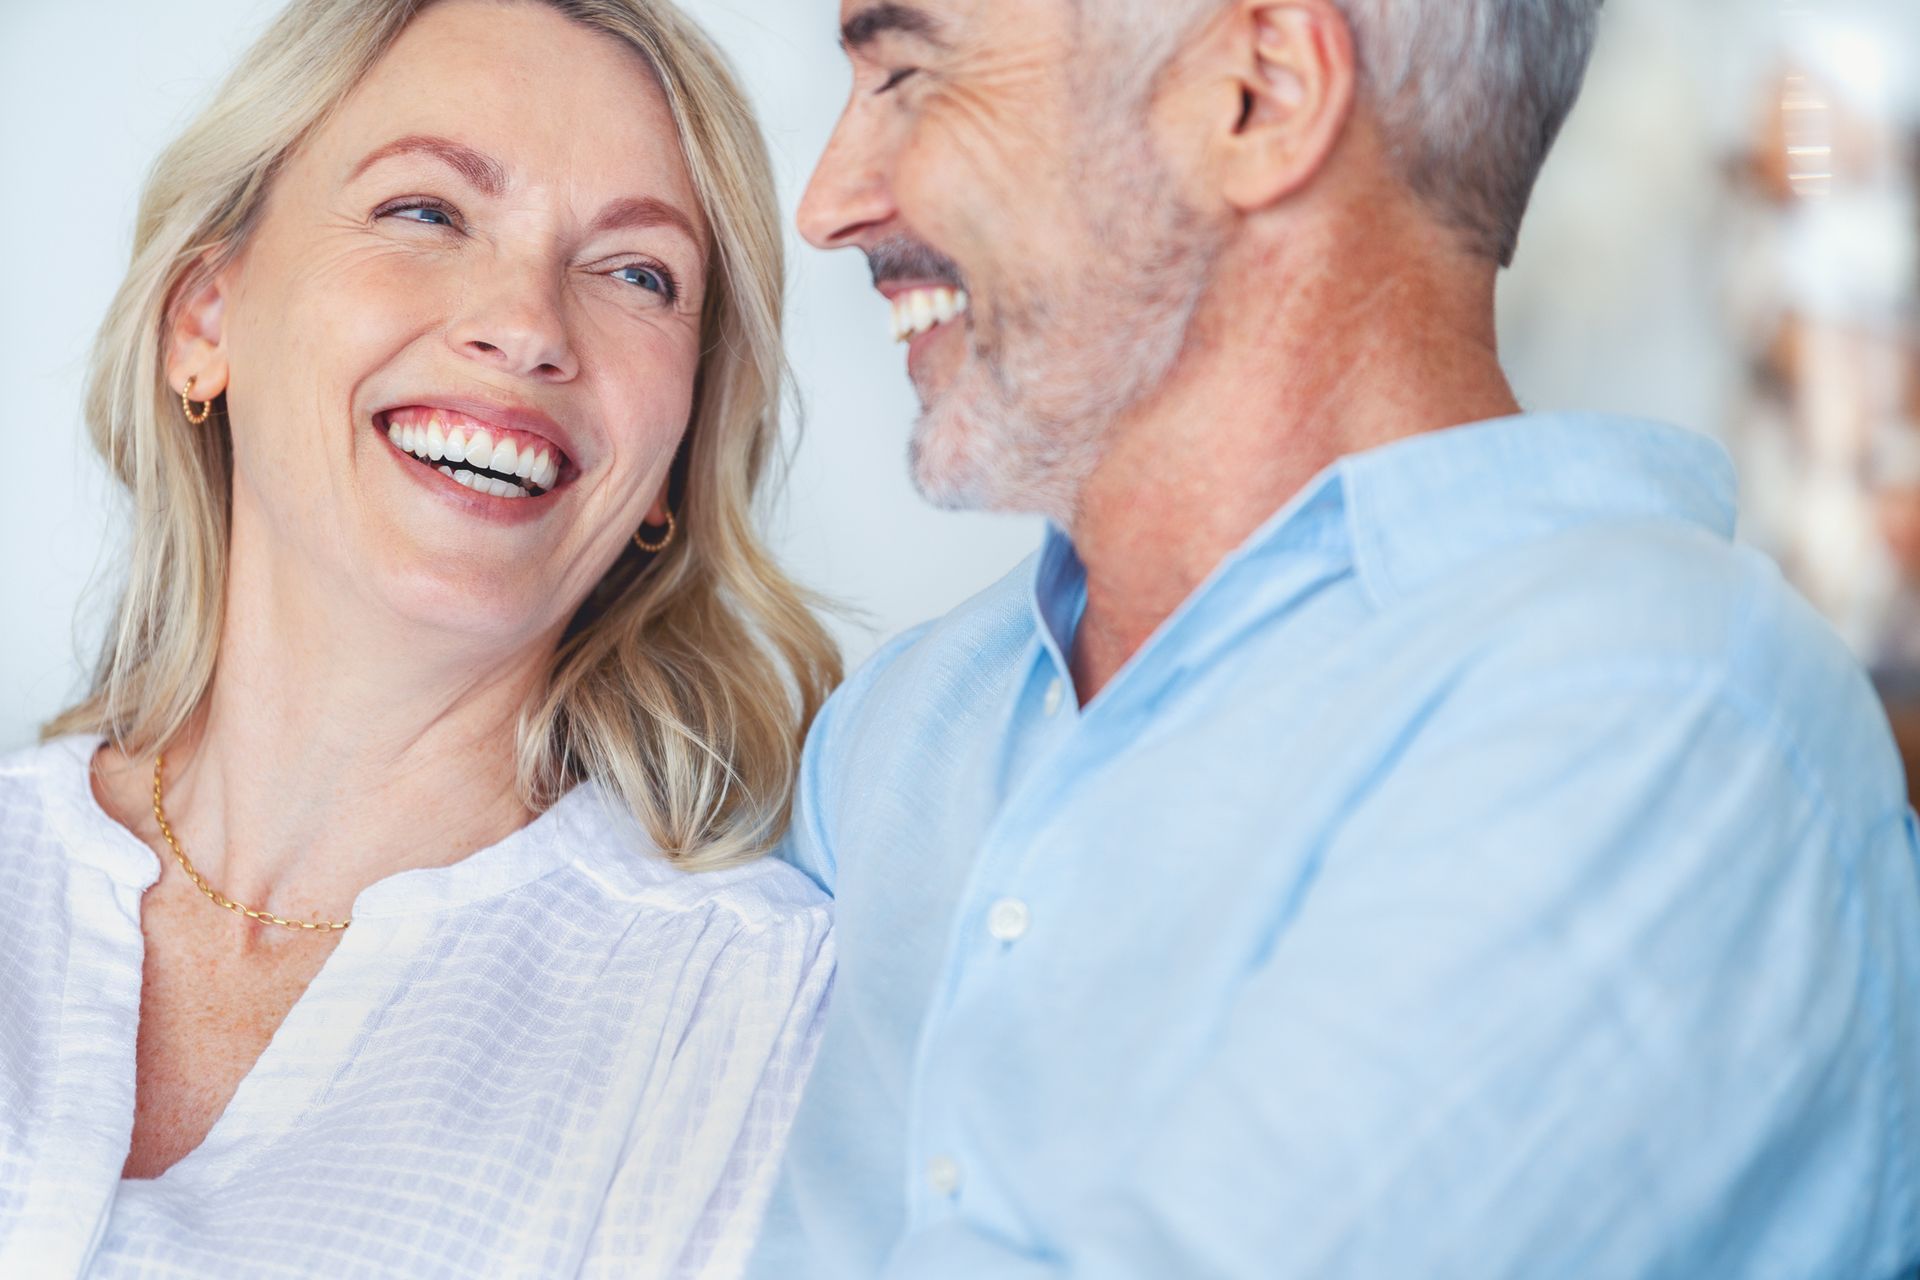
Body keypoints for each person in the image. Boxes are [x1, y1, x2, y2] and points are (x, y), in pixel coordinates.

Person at [750, 0, 1920, 1275]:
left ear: (1260, 94)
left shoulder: (1675, 710)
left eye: (910, 75)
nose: (827, 203)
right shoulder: (902, 727)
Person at [0, 0, 840, 1274]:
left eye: (636, 274)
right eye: (426, 211)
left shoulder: (745, 1008)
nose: (529, 326)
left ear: (673, 455)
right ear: (206, 317)